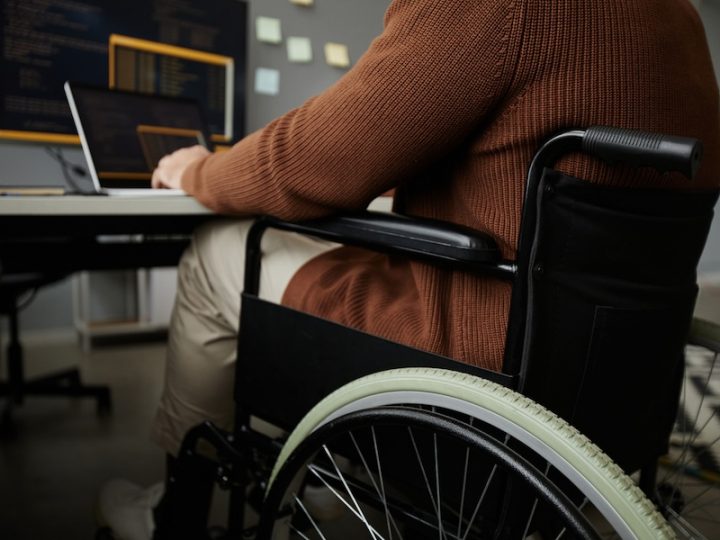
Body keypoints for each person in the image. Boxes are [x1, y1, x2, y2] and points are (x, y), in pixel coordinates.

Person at [98, 0, 720, 538]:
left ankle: (177, 513)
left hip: (476, 357)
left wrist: (195, 171)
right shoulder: (682, 20)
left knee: (219, 247)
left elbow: (313, 159)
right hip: (609, 380)